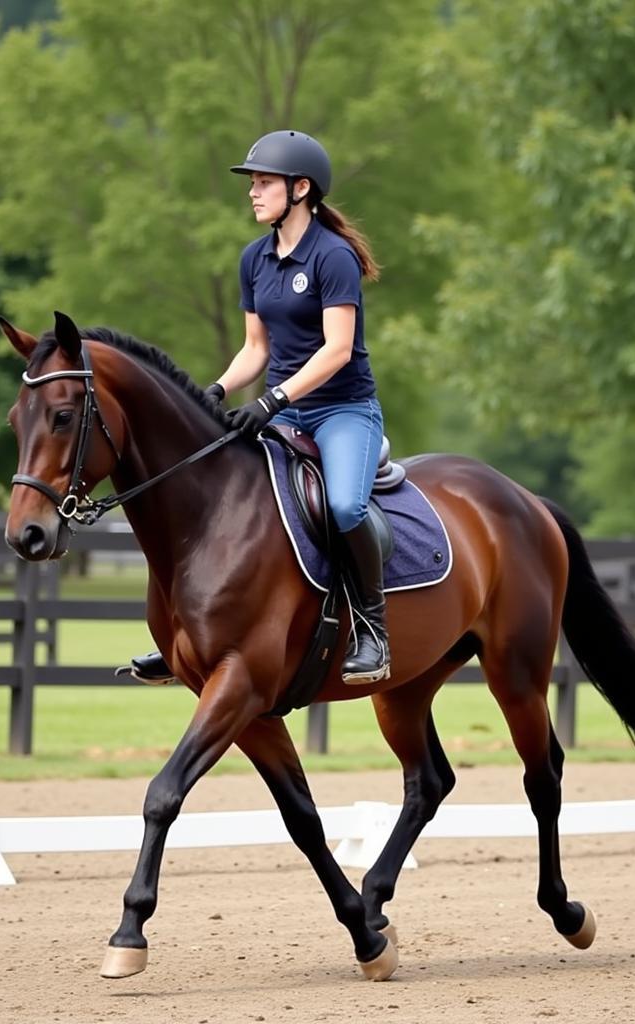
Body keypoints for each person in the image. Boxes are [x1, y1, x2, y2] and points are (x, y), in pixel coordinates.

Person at [129, 129, 389, 686]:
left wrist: (273, 399)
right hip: (285, 413)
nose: (253, 192)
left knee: (344, 507)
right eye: (252, 183)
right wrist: (216, 392)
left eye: (263, 182)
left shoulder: (332, 255)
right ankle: (194, 631)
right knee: (219, 491)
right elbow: (256, 349)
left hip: (343, 411)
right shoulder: (255, 259)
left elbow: (337, 350)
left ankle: (373, 629)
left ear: (301, 189)